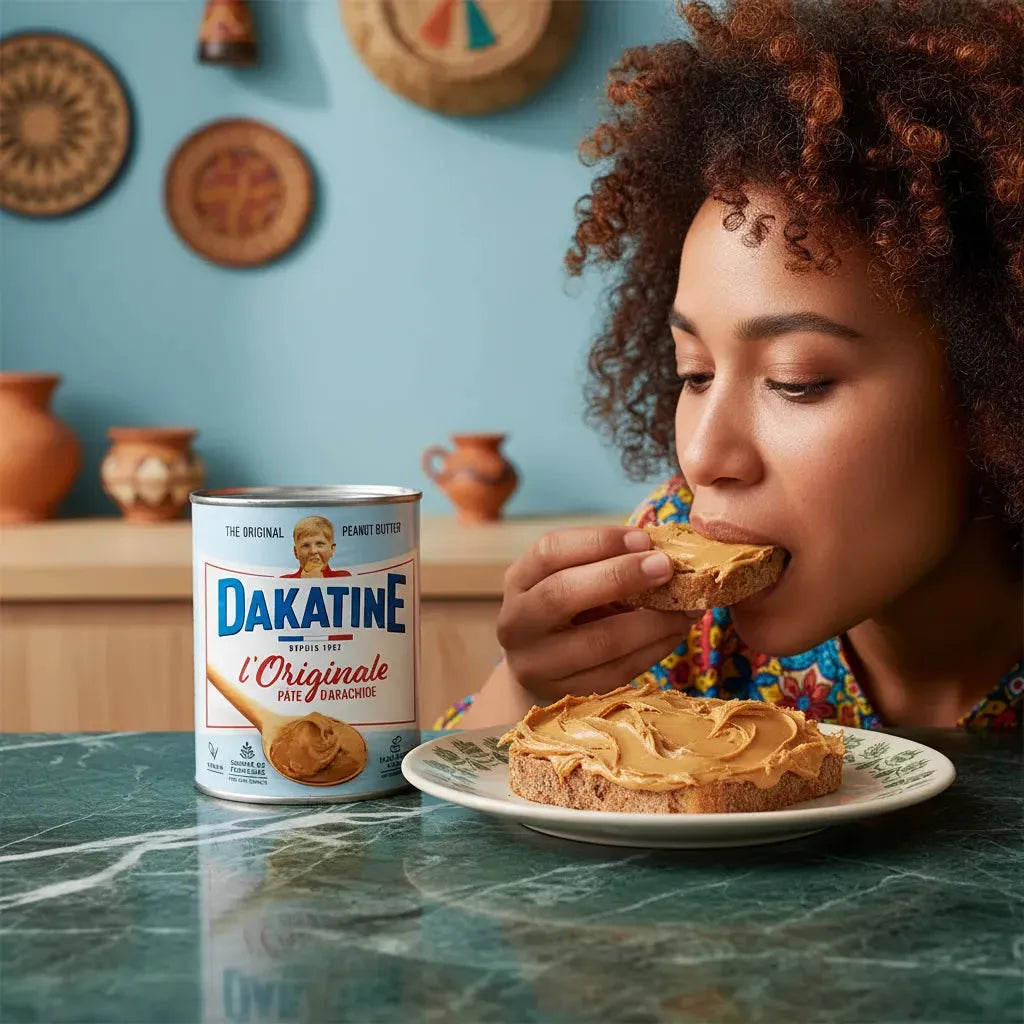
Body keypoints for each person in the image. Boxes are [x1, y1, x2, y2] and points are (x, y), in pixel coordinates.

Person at [442, 0, 1023, 731]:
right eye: (695, 373)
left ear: (993, 394)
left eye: (795, 380)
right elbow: (434, 799)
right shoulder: (656, 597)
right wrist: (527, 690)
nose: (702, 457)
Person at [280, 516, 351, 578]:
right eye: (305, 545)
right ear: (296, 552)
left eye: (320, 544)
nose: (313, 551)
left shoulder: (343, 577)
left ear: (332, 549)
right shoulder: (284, 580)